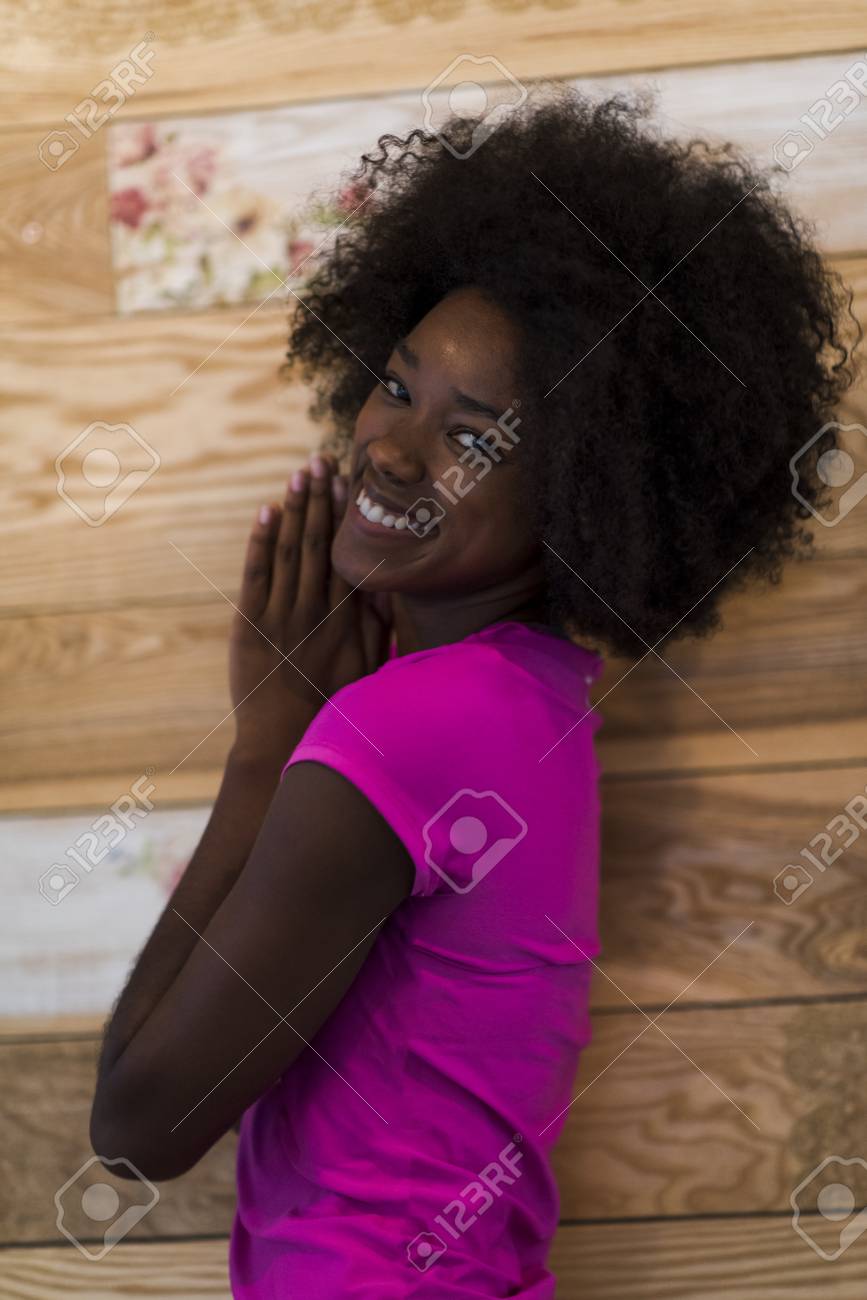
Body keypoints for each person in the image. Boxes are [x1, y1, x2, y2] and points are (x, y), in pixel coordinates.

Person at [90, 83, 859, 1297]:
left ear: (588, 488)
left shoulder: (407, 729)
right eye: (397, 386)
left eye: (479, 435)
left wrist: (266, 746)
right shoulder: (535, 704)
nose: (391, 448)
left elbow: (136, 1128)